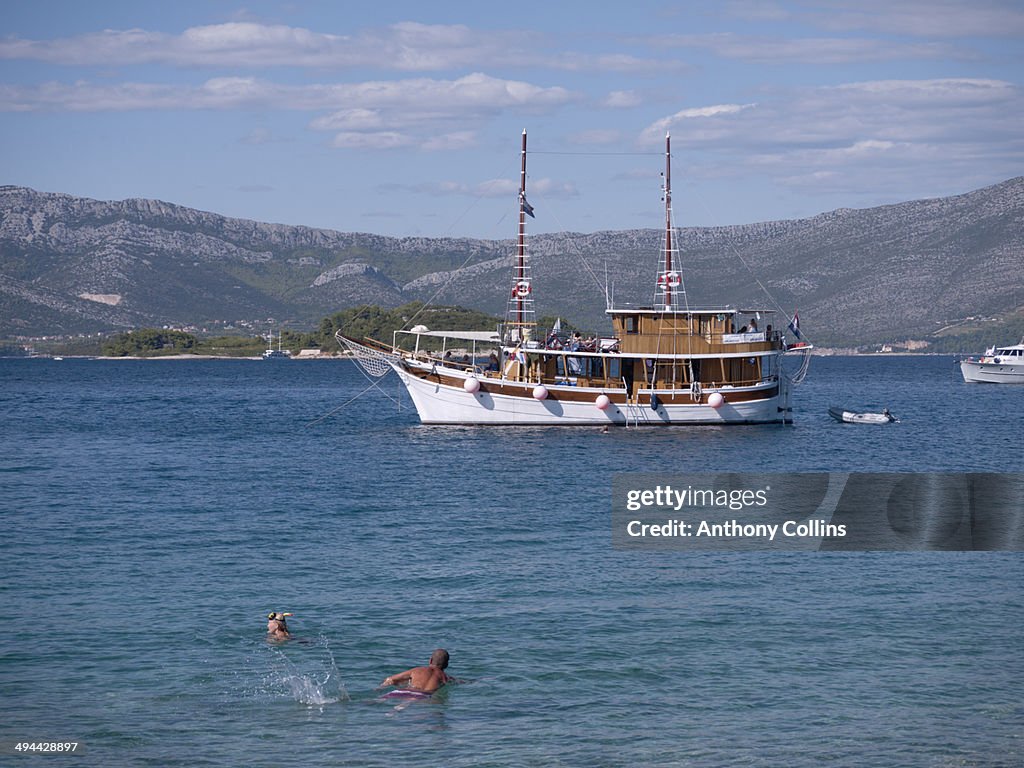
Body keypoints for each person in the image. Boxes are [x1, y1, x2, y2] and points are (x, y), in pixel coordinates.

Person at [380, 649, 453, 694]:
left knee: (381, 699)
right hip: (424, 695)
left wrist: (381, 687)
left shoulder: (417, 670)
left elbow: (391, 679)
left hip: (405, 691)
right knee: (404, 705)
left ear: (430, 660)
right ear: (446, 665)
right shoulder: (445, 677)